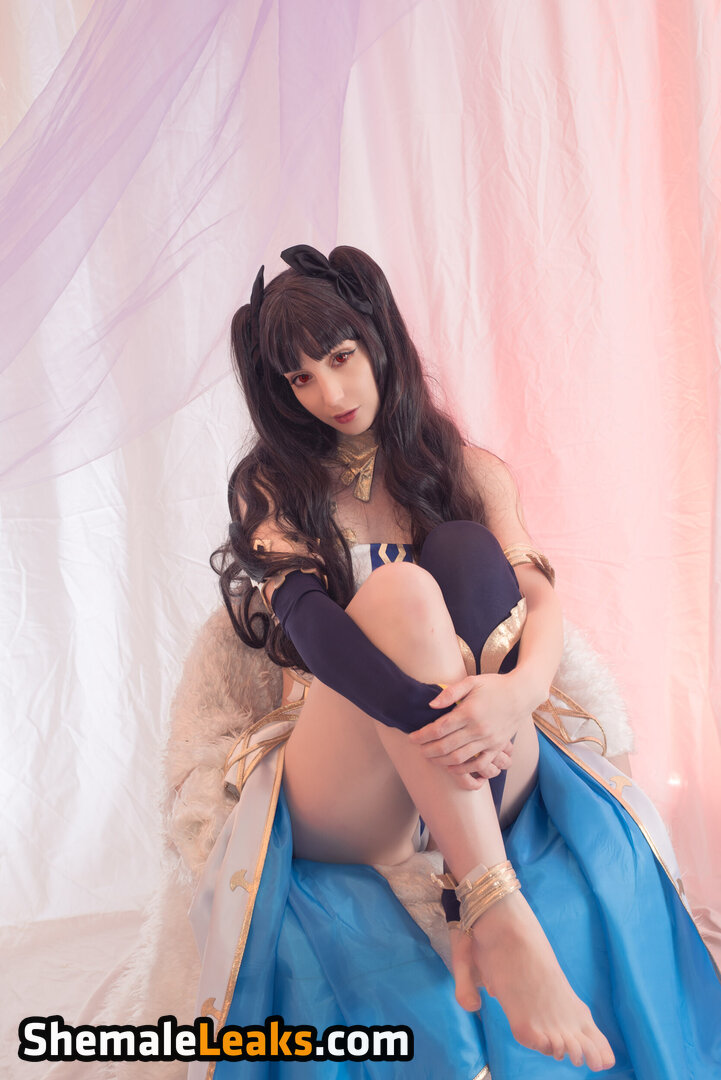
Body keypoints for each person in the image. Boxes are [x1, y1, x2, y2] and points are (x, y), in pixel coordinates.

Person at [196, 244, 721, 1079]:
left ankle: (475, 904)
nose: (329, 393)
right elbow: (317, 633)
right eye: (300, 378)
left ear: (378, 341)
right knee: (402, 594)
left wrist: (516, 697)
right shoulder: (273, 488)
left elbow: (539, 600)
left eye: (341, 358)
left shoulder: (466, 469)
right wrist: (434, 720)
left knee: (466, 553)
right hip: (351, 777)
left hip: (486, 747)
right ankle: (498, 917)